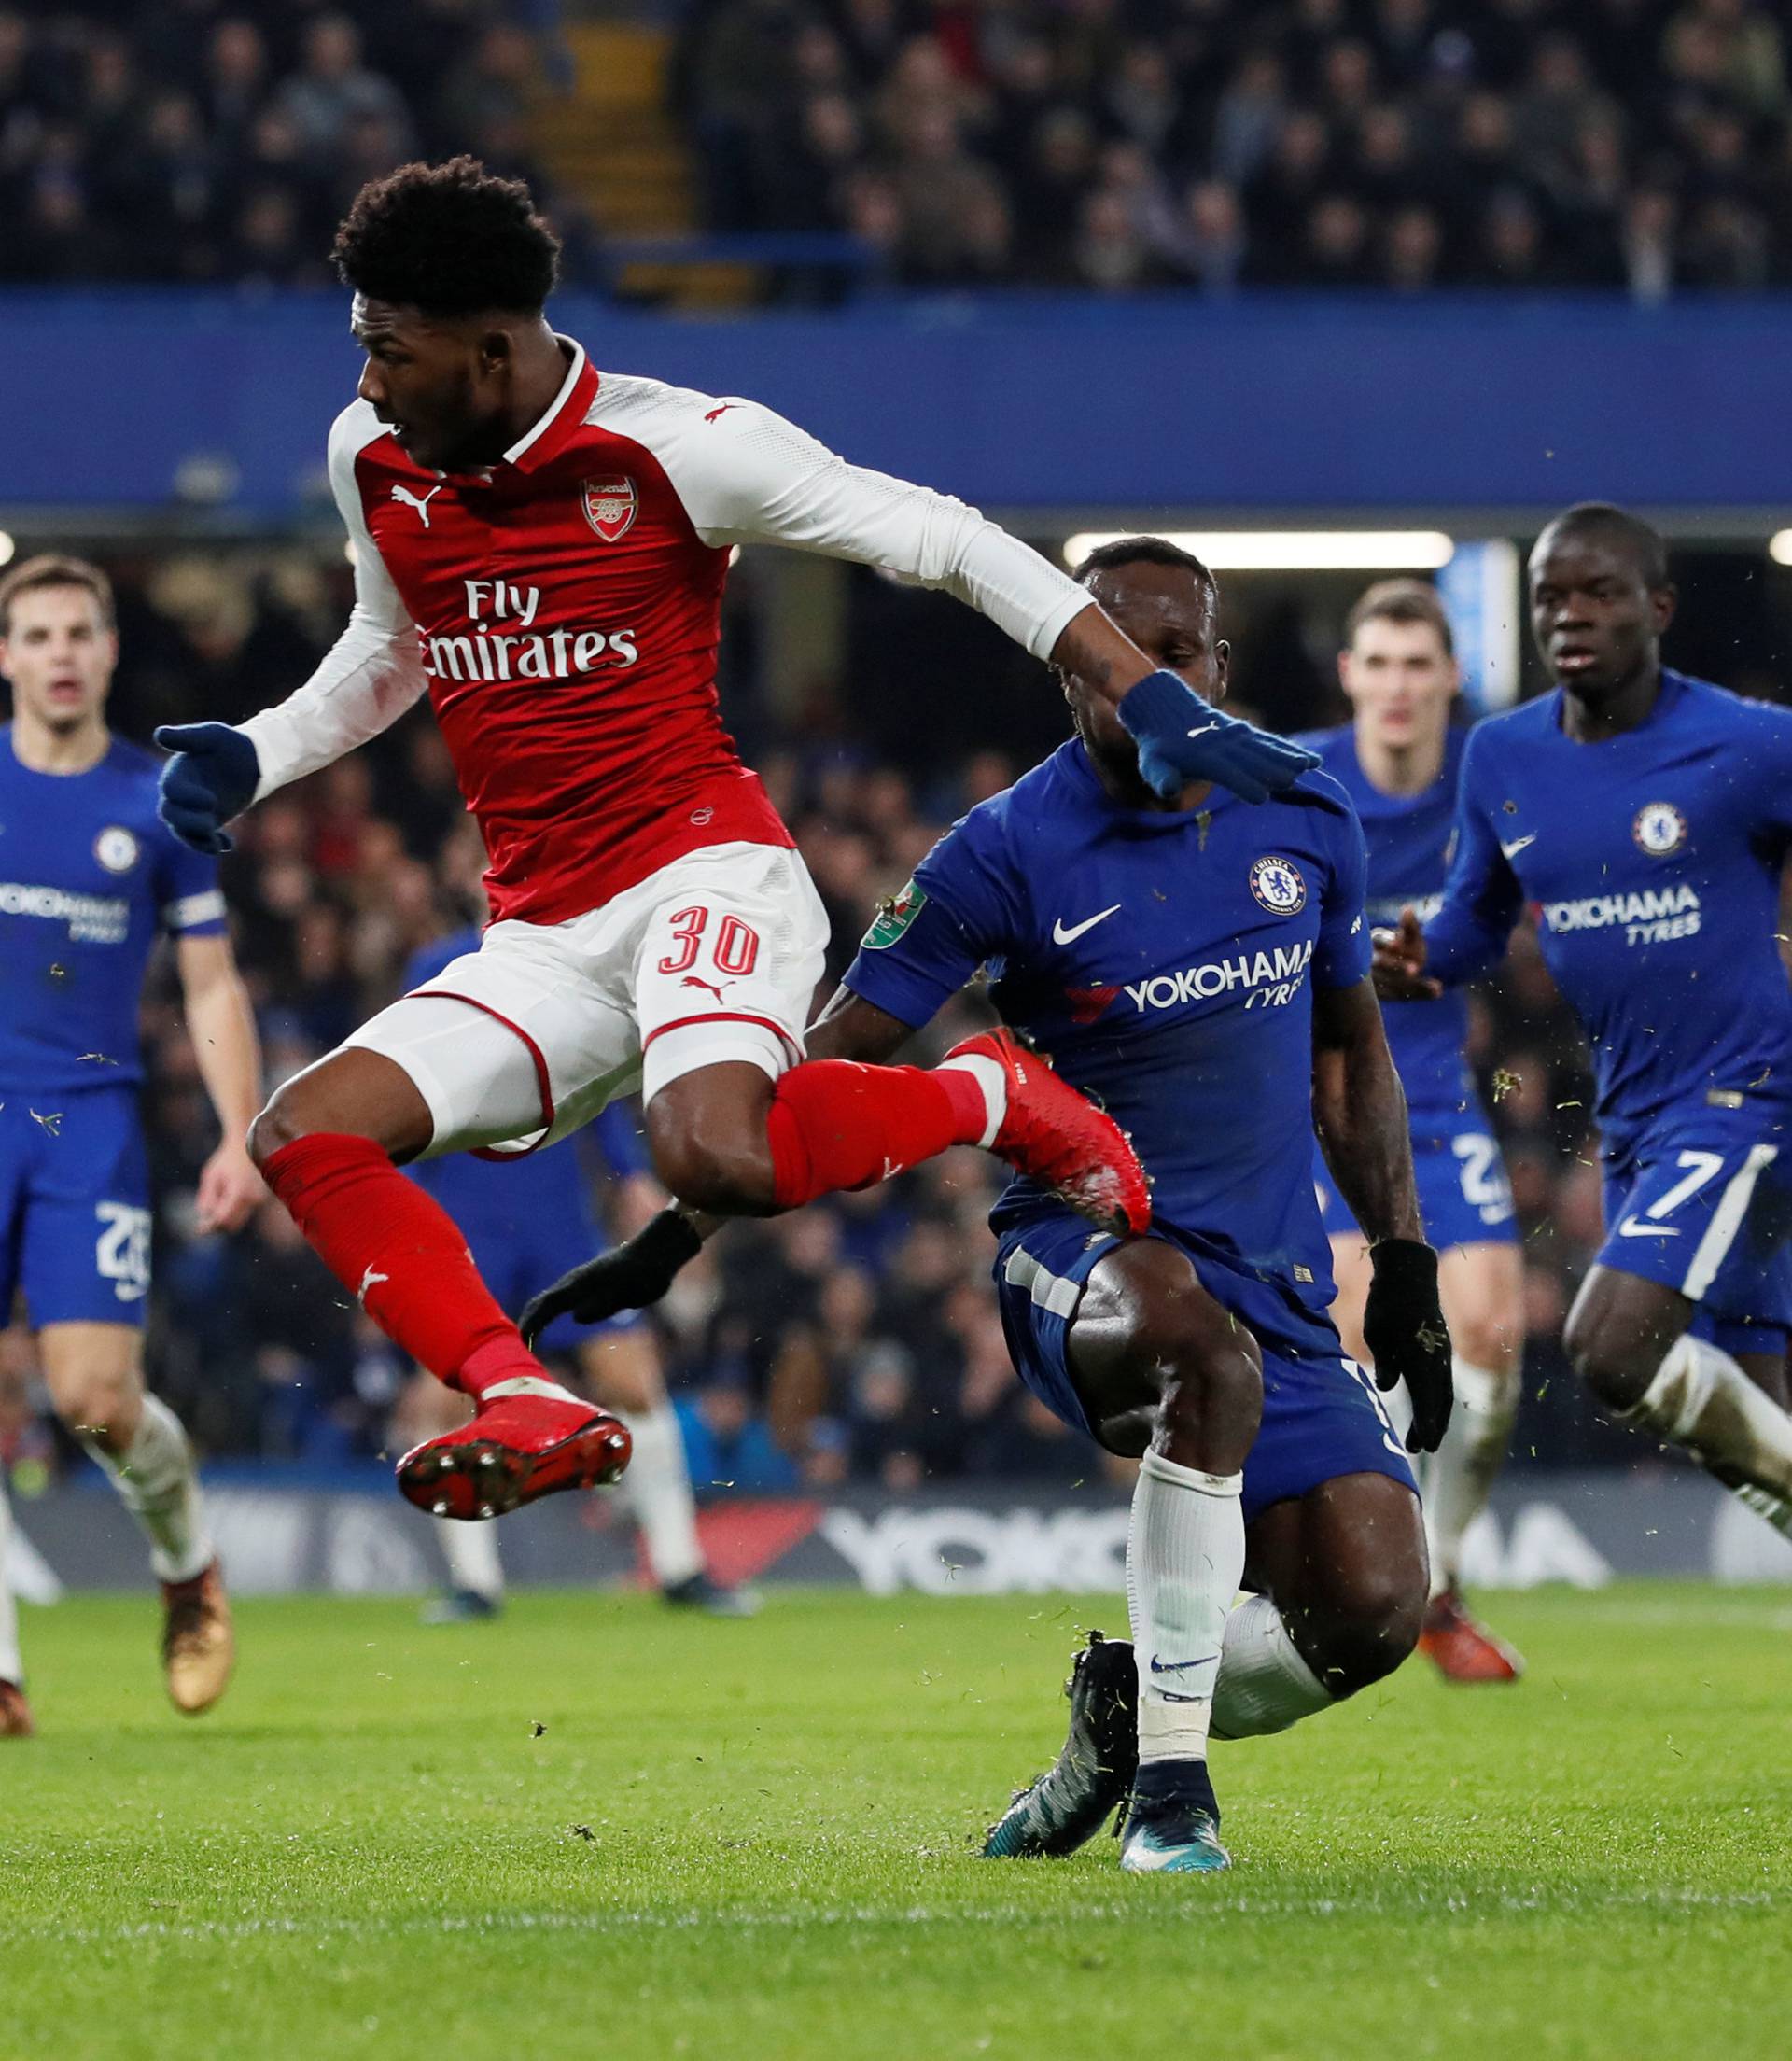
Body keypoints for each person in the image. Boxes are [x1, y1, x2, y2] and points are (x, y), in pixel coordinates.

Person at [153, 157, 1312, 1523]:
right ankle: (519, 1390)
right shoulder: (379, 458)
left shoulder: (679, 445)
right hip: (538, 932)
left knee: (712, 1154)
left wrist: (1147, 689)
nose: (363, 387)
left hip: (707, 868)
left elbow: (939, 538)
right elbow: (390, 643)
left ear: (489, 349)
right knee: (307, 1134)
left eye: (387, 354)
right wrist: (262, 749)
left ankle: (988, 1092)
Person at [521, 539, 1454, 1873]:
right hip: (1084, 1263)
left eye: (1172, 658)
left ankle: (1130, 1704)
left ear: (1218, 668)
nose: (1143, 689)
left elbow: (1350, 1054)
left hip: (1276, 1282)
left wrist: (1405, 1265)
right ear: (1070, 675)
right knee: (1194, 1346)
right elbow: (838, 1066)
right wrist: (681, 1230)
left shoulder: (1306, 810)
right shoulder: (1002, 853)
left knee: (1367, 1611)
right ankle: (1174, 1801)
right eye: (1108, 664)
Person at [1376, 503, 1792, 1538]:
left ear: (1658, 608)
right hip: (1637, 1121)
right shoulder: (1506, 758)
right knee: (1762, 1405)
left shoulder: (1745, 743)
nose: (1571, 615)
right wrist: (1426, 958)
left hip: (1746, 1094)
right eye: (1551, 596)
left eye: (1599, 593)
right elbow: (1478, 917)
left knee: (1611, 1347)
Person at [0, 554, 264, 1731]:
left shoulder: (157, 802)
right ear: (7, 656)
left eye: (78, 633)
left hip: (84, 1122)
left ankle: (186, 1562)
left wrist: (237, 1137)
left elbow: (210, 988)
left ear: (109, 653)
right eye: (37, 634)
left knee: (96, 1402)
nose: (59, 653)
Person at [394, 924, 754, 1621]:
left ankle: (680, 1570)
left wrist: (629, 1177)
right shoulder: (438, 963)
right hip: (465, 1214)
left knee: (634, 1383)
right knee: (442, 1403)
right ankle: (475, 1584)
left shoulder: (576, 956)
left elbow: (599, 1078)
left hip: (558, 1216)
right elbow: (405, 1081)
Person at [1301, 582, 1526, 1683]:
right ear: (1350, 675)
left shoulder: (1488, 782)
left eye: (1416, 665)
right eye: (1377, 663)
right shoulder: (1298, 778)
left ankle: (1442, 1580)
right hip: (1327, 1098)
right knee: (1362, 1344)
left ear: (1448, 678)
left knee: (1492, 1341)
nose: (1396, 685)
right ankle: (1370, 1577)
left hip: (1434, 1095)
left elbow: (1513, 920)